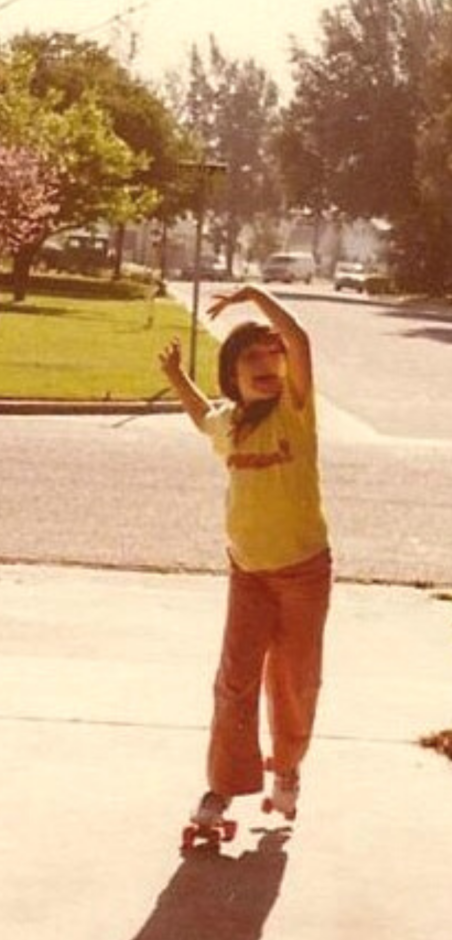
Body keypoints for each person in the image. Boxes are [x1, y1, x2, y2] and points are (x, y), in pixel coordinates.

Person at [159, 283, 332, 826]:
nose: (265, 364)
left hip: (304, 571)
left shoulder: (295, 413)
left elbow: (299, 339)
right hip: (249, 573)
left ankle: (287, 768)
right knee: (235, 679)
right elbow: (200, 414)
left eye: (271, 356)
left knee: (294, 679)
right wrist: (176, 378)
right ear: (232, 376)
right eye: (250, 358)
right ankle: (223, 786)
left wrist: (255, 295)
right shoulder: (230, 424)